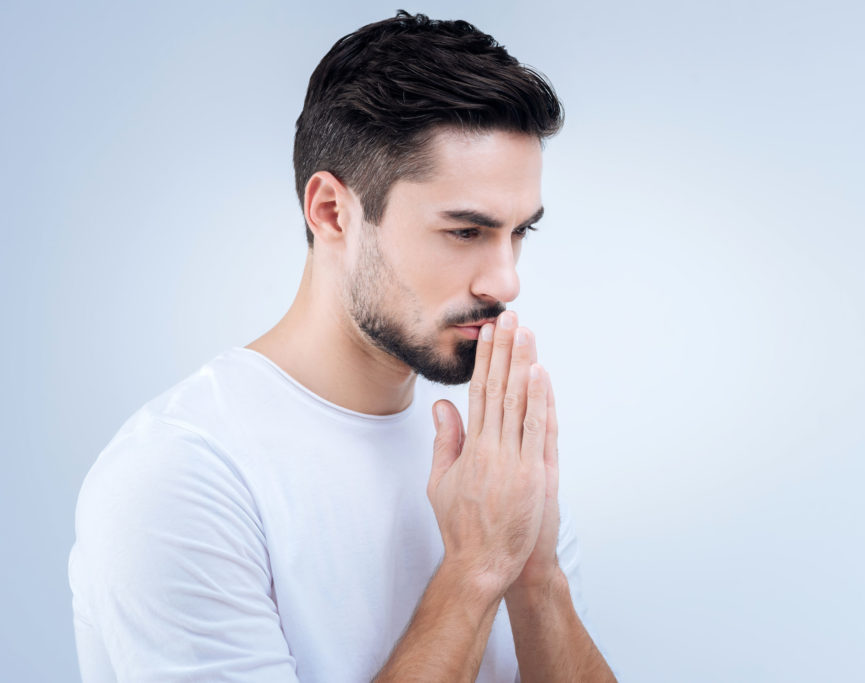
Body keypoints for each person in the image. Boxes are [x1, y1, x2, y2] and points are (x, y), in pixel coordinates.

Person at [68, 10, 616, 683]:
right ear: (332, 210)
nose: (506, 278)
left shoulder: (495, 459)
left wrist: (535, 577)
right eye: (466, 232)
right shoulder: (182, 475)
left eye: (519, 232)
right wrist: (475, 570)